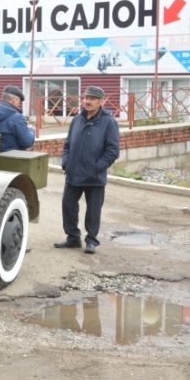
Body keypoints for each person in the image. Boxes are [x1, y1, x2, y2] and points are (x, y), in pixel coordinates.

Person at [55, 85, 120, 255]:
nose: (88, 101)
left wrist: (96, 167)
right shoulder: (77, 119)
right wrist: (66, 162)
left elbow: (112, 151)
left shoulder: (109, 122)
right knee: (68, 205)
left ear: (101, 102)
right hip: (73, 172)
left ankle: (91, 240)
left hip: (94, 176)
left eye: (92, 99)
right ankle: (73, 238)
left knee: (93, 210)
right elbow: (68, 144)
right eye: (86, 98)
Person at [0, 85, 34, 152]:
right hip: (11, 158)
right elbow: (27, 142)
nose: (19, 104)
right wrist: (31, 130)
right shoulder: (17, 118)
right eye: (19, 101)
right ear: (14, 100)